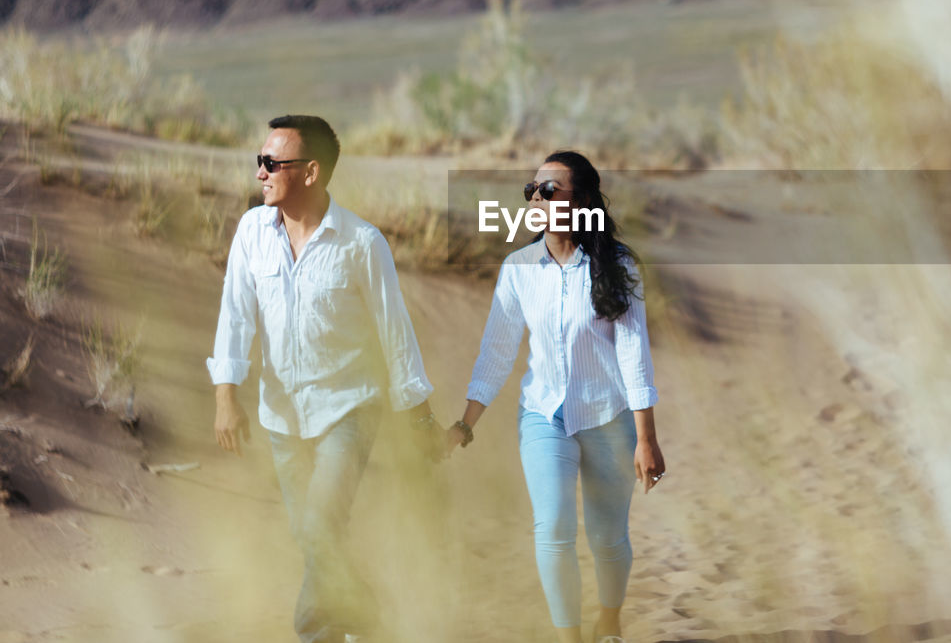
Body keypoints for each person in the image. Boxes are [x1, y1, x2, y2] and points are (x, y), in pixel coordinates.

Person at [206, 114, 444, 643]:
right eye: (259, 161)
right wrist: (227, 395)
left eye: (272, 163)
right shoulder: (251, 232)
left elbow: (395, 333)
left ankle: (316, 632)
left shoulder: (362, 243)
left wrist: (420, 417)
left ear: (310, 172)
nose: (261, 173)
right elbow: (235, 316)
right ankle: (360, 618)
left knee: (319, 527)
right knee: (311, 535)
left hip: (349, 408)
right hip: (281, 415)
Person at [445, 150, 666, 643]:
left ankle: (609, 621)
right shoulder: (519, 267)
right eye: (532, 190)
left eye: (550, 190)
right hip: (544, 415)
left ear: (582, 200)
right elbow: (497, 353)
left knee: (608, 539)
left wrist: (646, 438)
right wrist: (464, 424)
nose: (536, 198)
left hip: (609, 419)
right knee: (553, 529)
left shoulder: (619, 266)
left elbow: (635, 355)